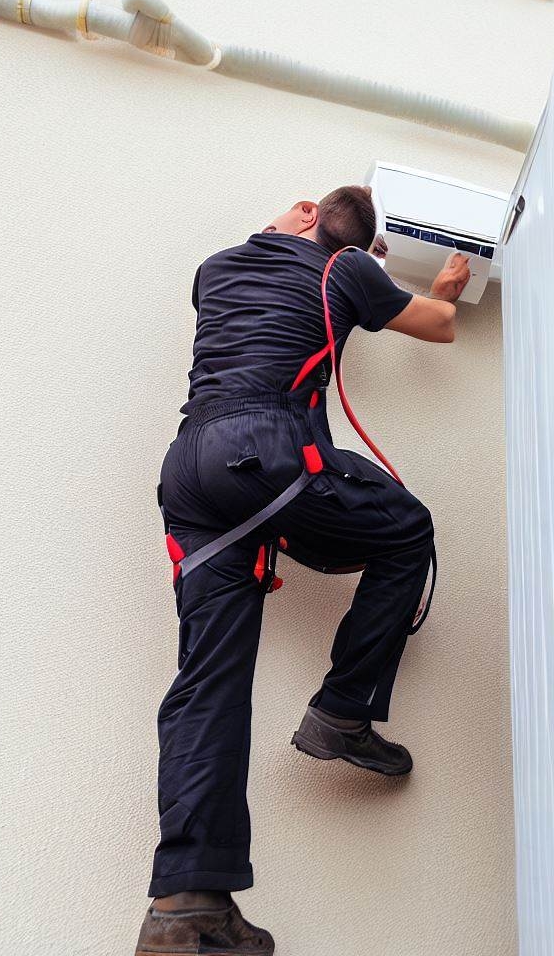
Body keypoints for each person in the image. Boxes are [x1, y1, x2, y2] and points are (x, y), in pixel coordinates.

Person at [134, 185, 470, 956]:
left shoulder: (215, 268)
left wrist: (337, 248)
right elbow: (441, 326)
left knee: (206, 681)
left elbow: (277, 268)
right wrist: (441, 287)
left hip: (190, 473)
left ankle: (188, 905)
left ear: (305, 212)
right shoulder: (344, 269)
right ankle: (343, 713)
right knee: (405, 528)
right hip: (263, 451)